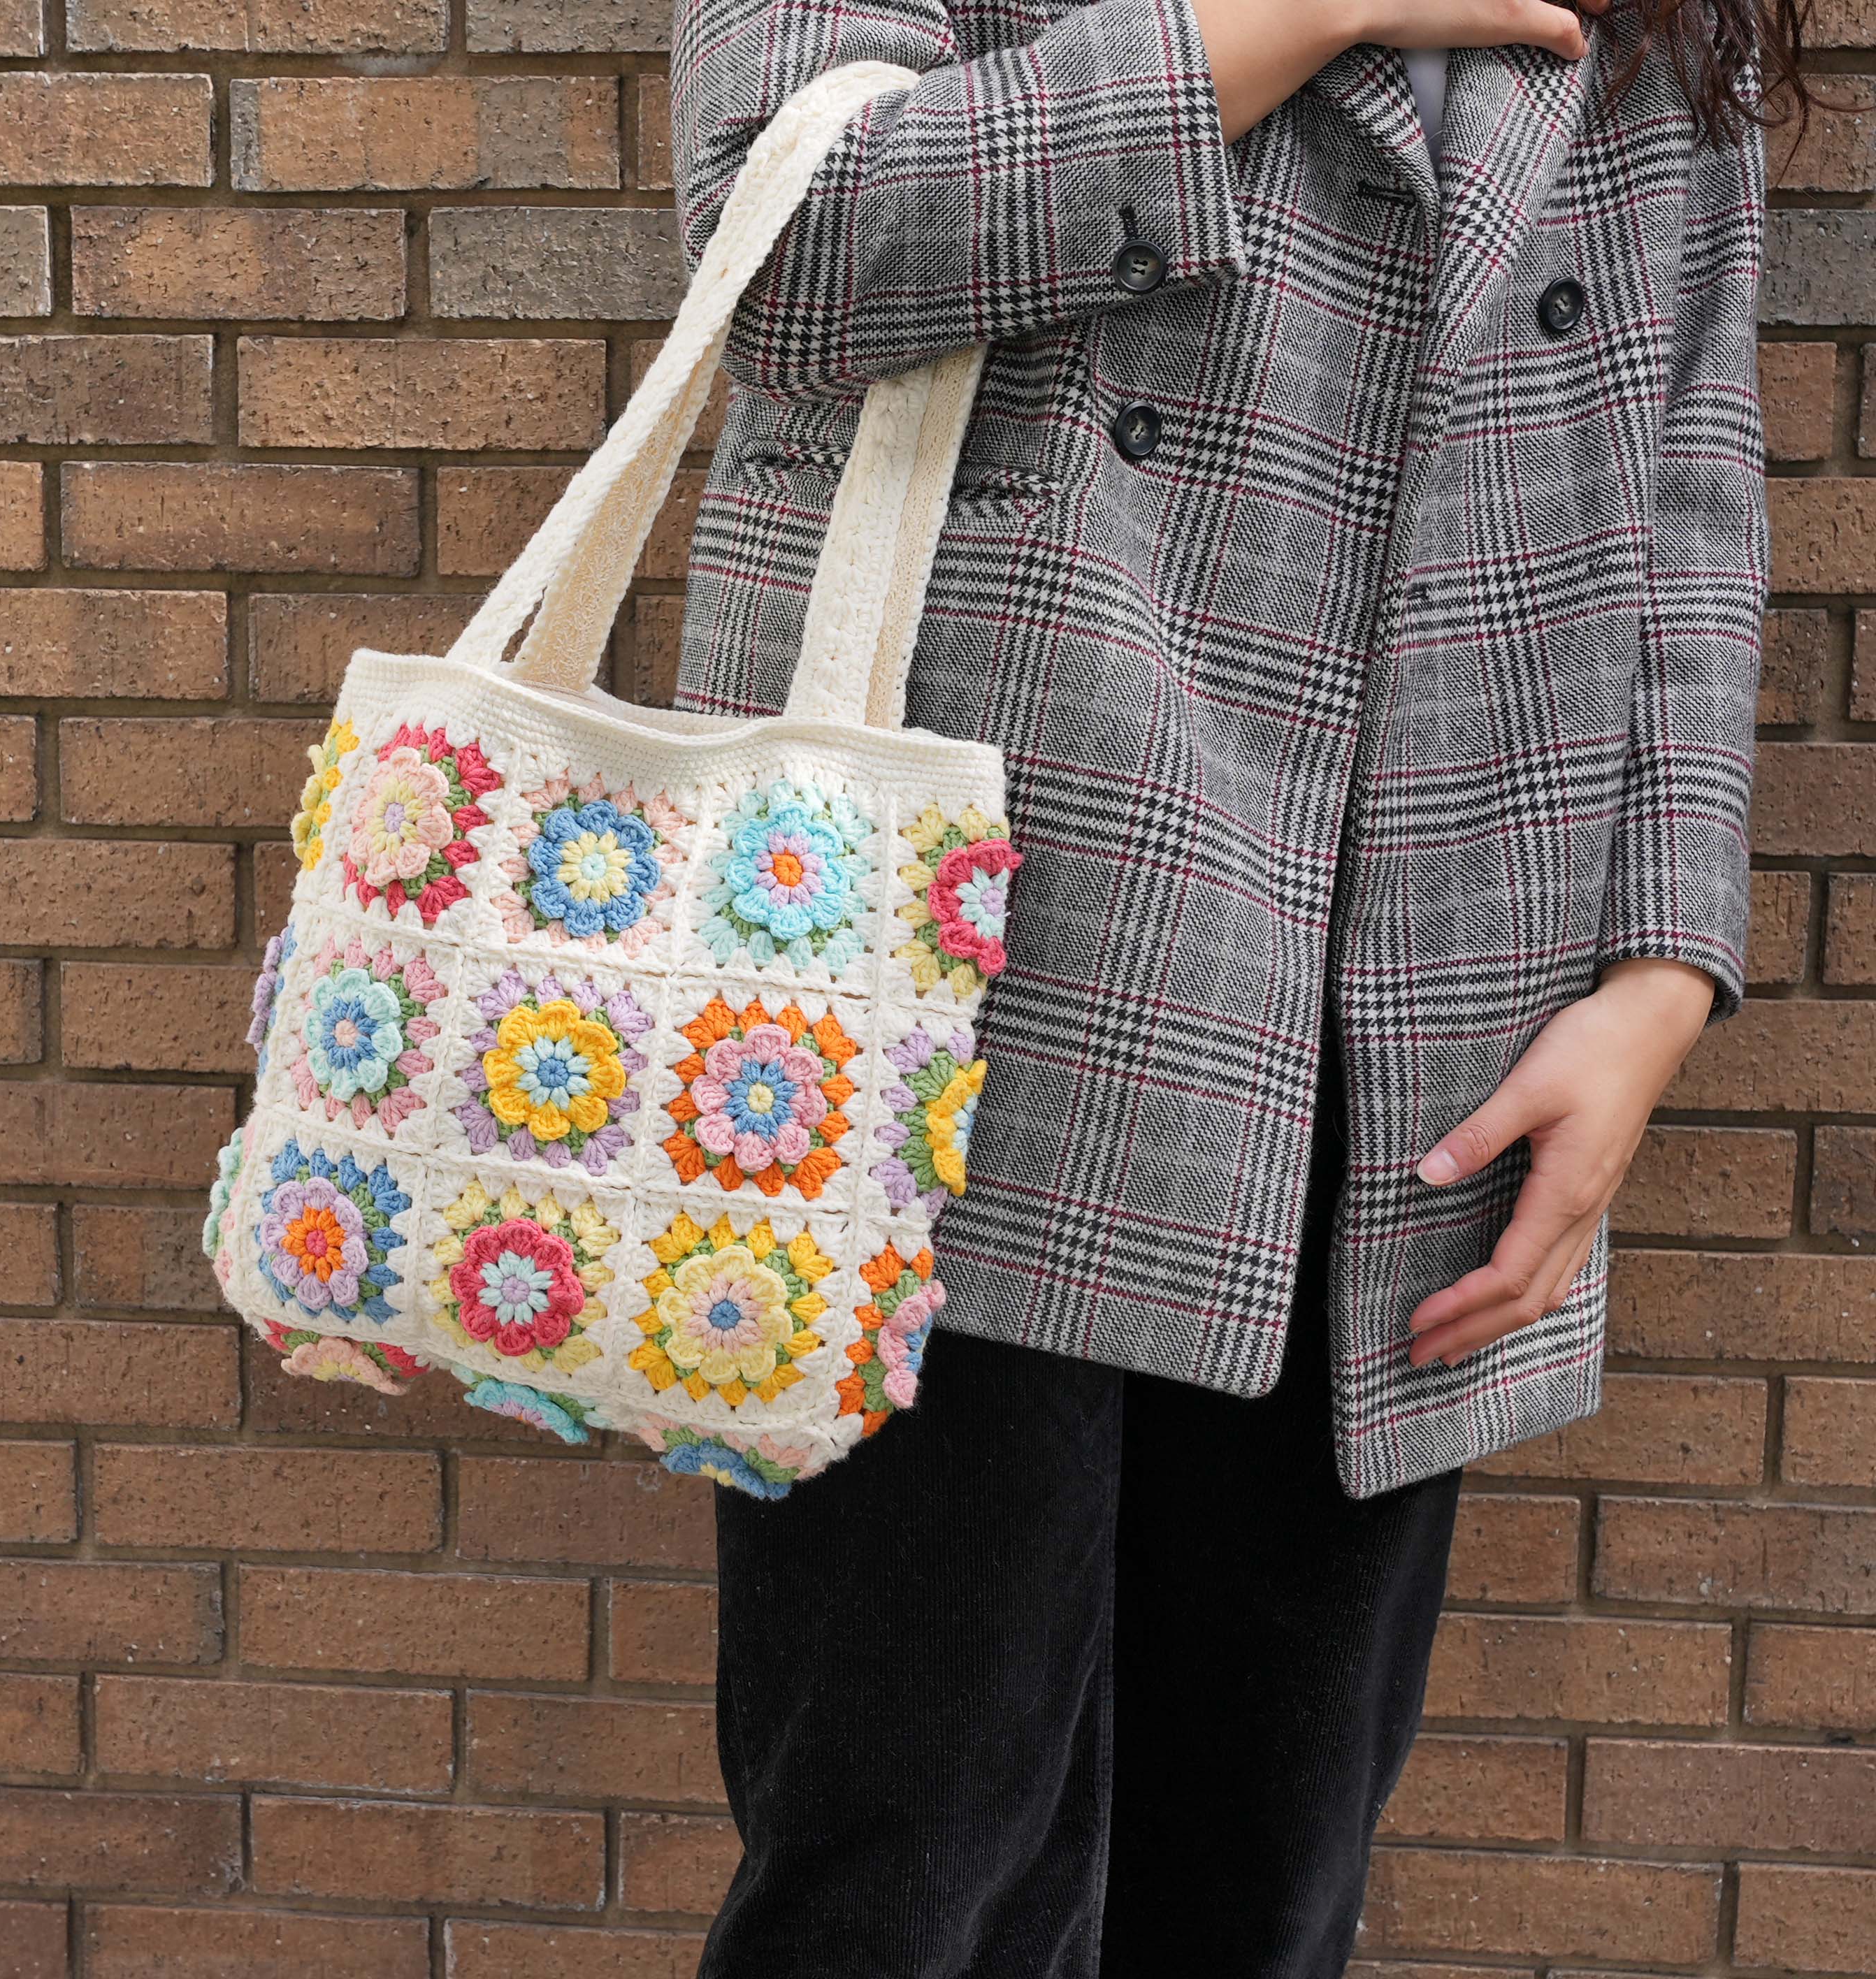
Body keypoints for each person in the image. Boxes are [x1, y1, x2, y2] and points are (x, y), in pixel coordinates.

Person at [667, 0, 1804, 1969]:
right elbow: (798, 247)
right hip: (969, 986)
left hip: (1432, 1006)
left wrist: (1658, 965)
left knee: (1261, 1879)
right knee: (913, 1873)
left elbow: (1687, 440)